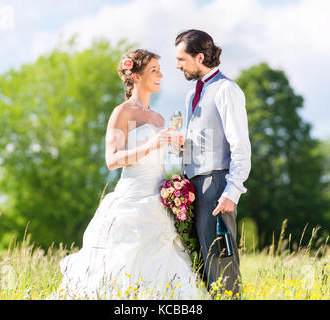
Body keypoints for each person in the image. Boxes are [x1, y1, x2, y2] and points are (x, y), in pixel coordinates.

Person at [51, 49, 200, 300]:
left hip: (158, 201)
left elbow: (158, 158)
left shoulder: (158, 117)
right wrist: (152, 144)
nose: (161, 75)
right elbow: (112, 160)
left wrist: (176, 146)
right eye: (154, 70)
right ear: (137, 77)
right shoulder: (123, 113)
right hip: (132, 198)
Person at [175, 29, 251, 296]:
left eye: (181, 59)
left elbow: (240, 145)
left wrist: (232, 191)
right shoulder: (190, 95)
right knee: (198, 265)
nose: (177, 66)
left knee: (221, 263)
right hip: (192, 186)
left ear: (199, 57)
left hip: (217, 184)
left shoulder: (227, 90)